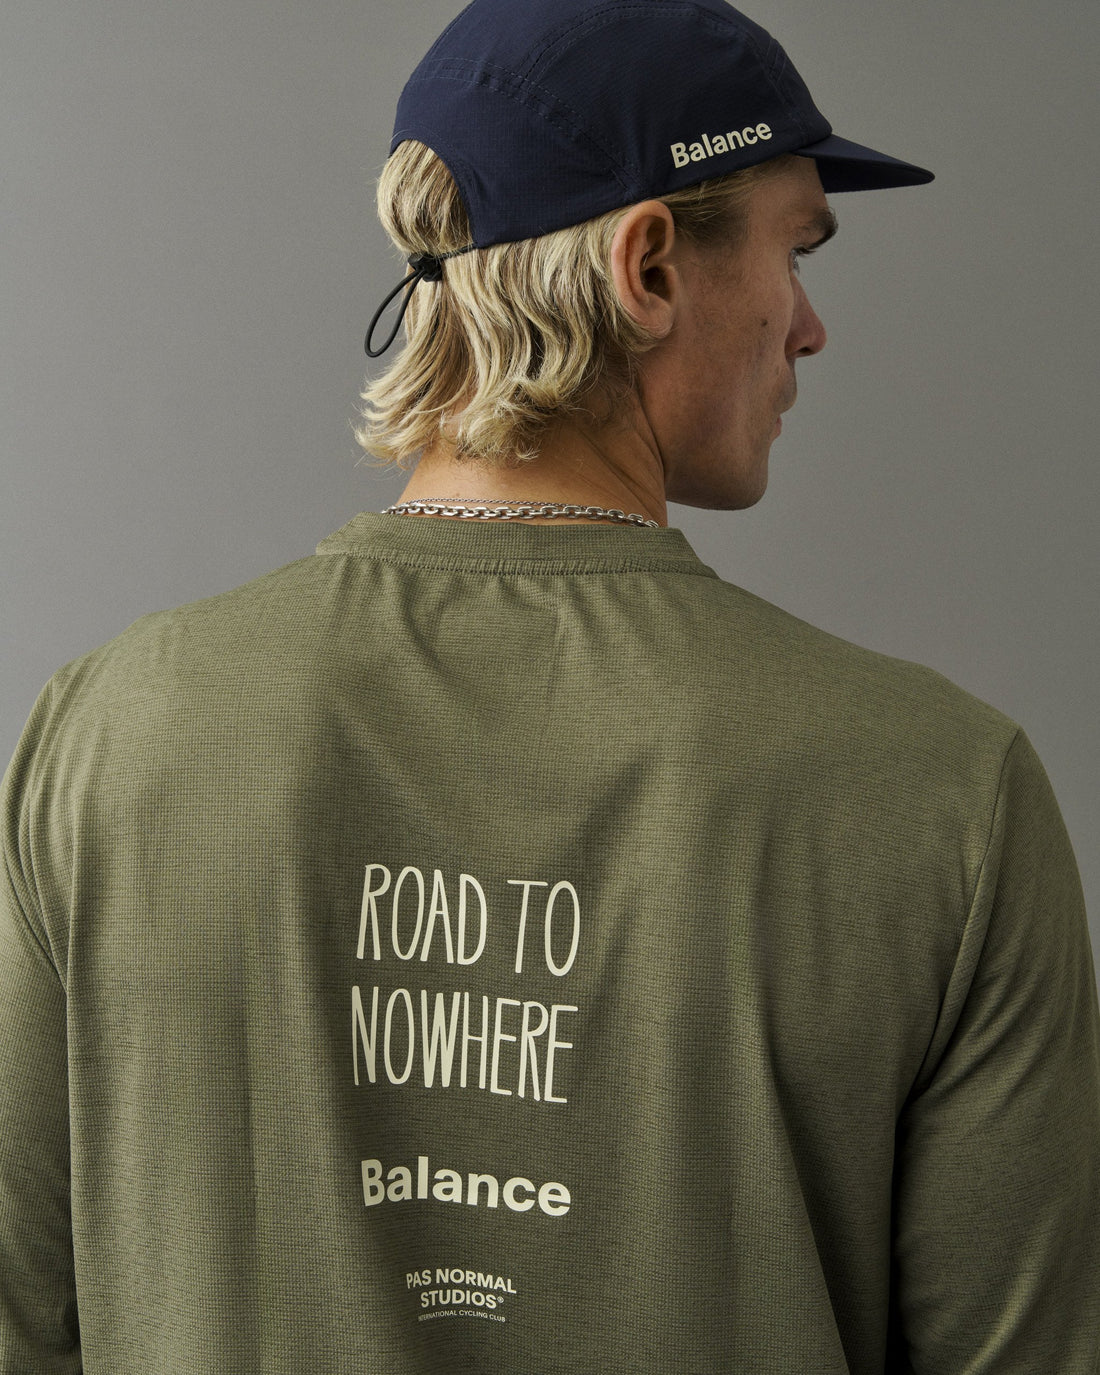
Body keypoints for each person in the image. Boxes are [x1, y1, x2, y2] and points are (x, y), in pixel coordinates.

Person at [2, 0, 1097, 1370]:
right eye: (797, 250)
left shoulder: (112, 732)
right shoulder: (943, 791)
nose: (809, 329)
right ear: (650, 267)